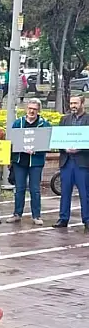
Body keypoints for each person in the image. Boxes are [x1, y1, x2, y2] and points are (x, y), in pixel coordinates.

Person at [11, 98, 50, 225]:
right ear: (26, 109)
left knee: (35, 189)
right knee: (19, 189)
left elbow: (46, 143)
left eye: (34, 109)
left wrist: (37, 150)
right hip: (20, 161)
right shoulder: (18, 123)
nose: (31, 111)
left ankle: (36, 216)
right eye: (30, 108)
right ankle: (17, 214)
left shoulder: (44, 124)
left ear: (38, 110)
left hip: (36, 162)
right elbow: (12, 141)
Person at [55, 94, 89, 231]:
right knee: (65, 192)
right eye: (71, 103)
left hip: (83, 161)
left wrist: (80, 149)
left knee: (85, 193)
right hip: (67, 161)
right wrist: (65, 148)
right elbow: (58, 139)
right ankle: (63, 218)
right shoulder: (64, 119)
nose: (73, 106)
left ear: (82, 103)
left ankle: (87, 219)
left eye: (76, 103)